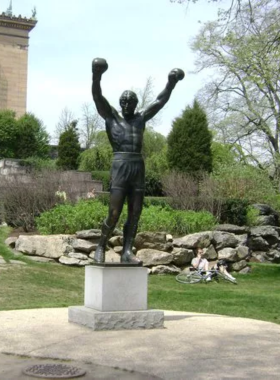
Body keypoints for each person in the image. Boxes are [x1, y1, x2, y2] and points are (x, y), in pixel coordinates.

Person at [91, 57, 184, 264]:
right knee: (114, 213)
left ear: (135, 104)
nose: (126, 104)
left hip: (137, 167)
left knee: (135, 213)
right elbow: (97, 96)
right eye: (123, 101)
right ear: (119, 103)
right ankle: (101, 244)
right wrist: (96, 75)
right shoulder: (111, 118)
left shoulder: (141, 118)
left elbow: (160, 101)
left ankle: (126, 252)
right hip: (120, 165)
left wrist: (171, 82)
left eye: (130, 102)